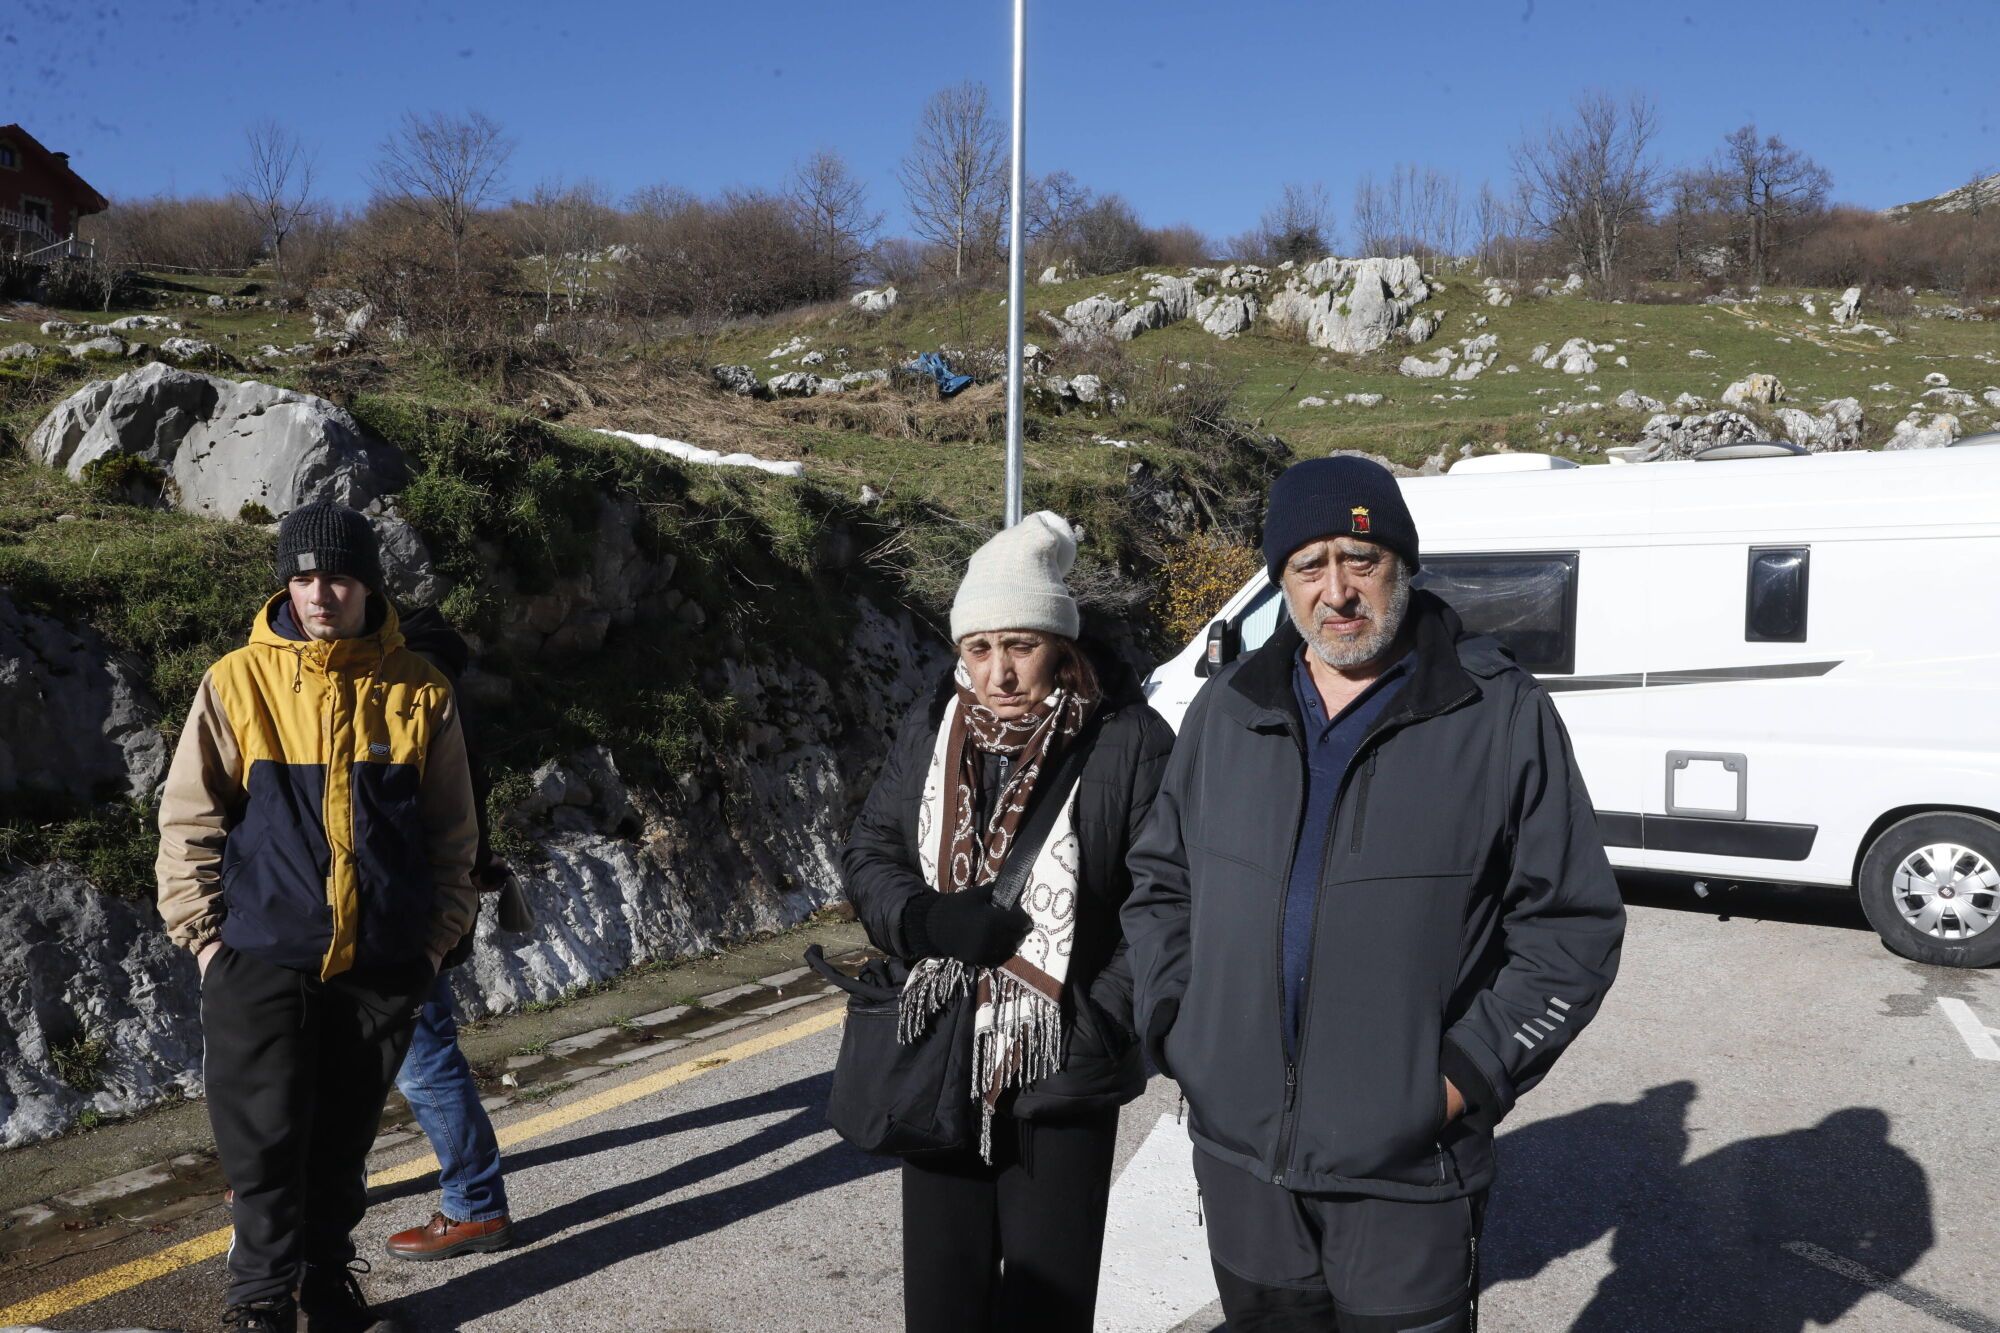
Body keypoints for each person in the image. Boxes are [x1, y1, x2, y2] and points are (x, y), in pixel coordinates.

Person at [1123, 457, 1626, 1332]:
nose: (1338, 591)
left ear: (1403, 562)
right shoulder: (1227, 710)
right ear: (1281, 581)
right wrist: (1178, 1024)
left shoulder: (1497, 714)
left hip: (1408, 1176)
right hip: (1242, 1166)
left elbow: (1570, 928)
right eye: (1308, 566)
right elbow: (1160, 884)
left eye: (1360, 558)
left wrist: (1460, 1078)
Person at [842, 511, 1175, 1333]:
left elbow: (1166, 897)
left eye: (1019, 646)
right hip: (939, 1055)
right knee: (944, 1305)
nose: (999, 672)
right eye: (978, 648)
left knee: (1047, 1310)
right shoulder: (933, 726)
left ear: (1060, 645)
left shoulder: (1128, 741)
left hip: (1064, 1063)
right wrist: (922, 918)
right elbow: (871, 850)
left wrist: (1095, 1018)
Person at [157, 502, 481, 1333]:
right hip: (259, 960)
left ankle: (326, 1281)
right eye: (302, 577)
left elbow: (454, 837)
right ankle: (260, 1301)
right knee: (260, 1149)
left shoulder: (420, 690)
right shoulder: (237, 681)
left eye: (336, 575)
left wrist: (433, 943)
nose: (318, 593)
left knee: (340, 1148)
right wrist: (204, 940)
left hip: (380, 965)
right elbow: (189, 819)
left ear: (368, 583)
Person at [381, 605, 523, 1262]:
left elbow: (436, 808)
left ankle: (476, 1205)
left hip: (406, 908)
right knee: (379, 1052)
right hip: (415, 901)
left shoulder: (416, 680)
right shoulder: (440, 679)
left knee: (423, 1056)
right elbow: (468, 800)